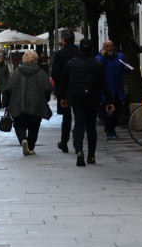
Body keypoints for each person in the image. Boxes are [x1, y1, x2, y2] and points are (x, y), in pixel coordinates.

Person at [58, 38, 114, 167]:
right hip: (92, 99)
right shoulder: (97, 64)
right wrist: (109, 101)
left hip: (76, 99)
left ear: (80, 49)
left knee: (78, 125)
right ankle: (91, 156)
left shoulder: (70, 64)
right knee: (91, 127)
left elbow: (63, 83)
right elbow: (104, 85)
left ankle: (79, 151)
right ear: (92, 49)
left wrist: (63, 98)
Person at [3, 50, 53, 156]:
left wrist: (6, 103)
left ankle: (23, 140)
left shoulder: (17, 72)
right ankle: (30, 147)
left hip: (18, 104)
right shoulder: (41, 72)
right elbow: (48, 88)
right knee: (34, 127)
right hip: (36, 105)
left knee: (19, 125)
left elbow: (9, 87)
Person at [96, 40, 131, 140]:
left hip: (118, 89)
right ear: (103, 48)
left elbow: (125, 67)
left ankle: (112, 129)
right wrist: (103, 56)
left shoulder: (120, 56)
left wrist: (127, 68)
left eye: (111, 46)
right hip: (106, 90)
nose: (110, 48)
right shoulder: (100, 58)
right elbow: (97, 67)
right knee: (109, 112)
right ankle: (109, 131)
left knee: (118, 110)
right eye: (107, 46)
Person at [51, 29, 79, 154]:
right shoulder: (79, 52)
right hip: (79, 90)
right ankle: (78, 143)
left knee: (66, 118)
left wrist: (60, 88)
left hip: (65, 91)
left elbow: (55, 74)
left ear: (63, 40)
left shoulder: (60, 54)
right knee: (79, 117)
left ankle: (64, 142)